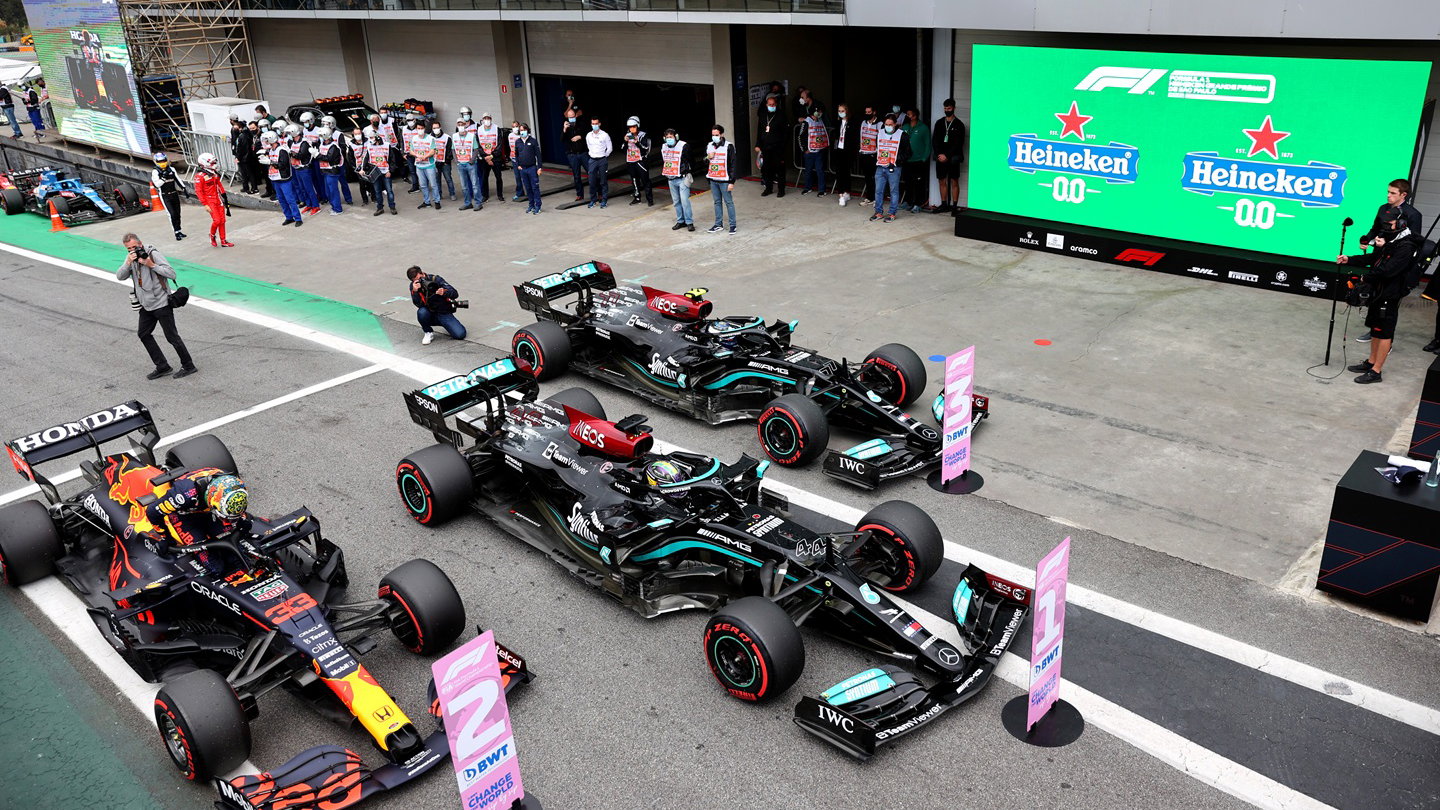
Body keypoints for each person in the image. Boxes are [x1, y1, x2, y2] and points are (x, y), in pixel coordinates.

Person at [1339, 205, 1419, 384]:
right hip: (1379, 291)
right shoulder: (1389, 239)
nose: (1385, 228)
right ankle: (1371, 362)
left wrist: (1363, 277)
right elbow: (1374, 259)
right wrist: (1350, 259)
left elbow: (1388, 270)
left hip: (1390, 294)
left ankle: (1376, 372)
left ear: (1401, 223)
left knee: (1384, 332)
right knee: (1375, 328)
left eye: (1389, 224)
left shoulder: (1406, 245)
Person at [117, 233, 196, 379]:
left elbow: (172, 274)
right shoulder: (131, 258)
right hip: (146, 306)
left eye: (135, 247)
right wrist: (128, 262)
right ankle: (162, 366)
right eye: (129, 249)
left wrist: (151, 265)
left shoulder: (153, 254)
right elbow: (120, 276)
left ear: (141, 243)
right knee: (143, 334)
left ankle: (189, 365)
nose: (133, 250)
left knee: (172, 337)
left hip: (161, 304)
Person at [1357, 179, 1424, 344]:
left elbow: (1414, 241)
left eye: (1393, 193)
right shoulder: (1383, 208)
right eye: (1388, 192)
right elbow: (1375, 228)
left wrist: (1389, 245)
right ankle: (1374, 330)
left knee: (1388, 304)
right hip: (1379, 256)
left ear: (1403, 195)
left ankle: (1387, 338)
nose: (1388, 195)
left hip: (1396, 263)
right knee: (1375, 295)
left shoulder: (1413, 215)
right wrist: (1367, 240)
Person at [144, 470, 247, 575]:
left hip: (210, 512)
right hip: (184, 517)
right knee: (215, 567)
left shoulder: (236, 486)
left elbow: (238, 508)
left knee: (237, 556)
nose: (228, 521)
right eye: (226, 518)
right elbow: (152, 512)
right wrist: (166, 538)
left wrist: (242, 519)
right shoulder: (183, 496)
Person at [407, 266, 466, 345]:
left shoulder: (436, 279)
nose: (420, 281)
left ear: (422, 273)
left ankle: (444, 323)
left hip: (443, 312)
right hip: (429, 311)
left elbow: (455, 293)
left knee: (460, 334)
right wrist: (415, 292)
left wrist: (444, 292)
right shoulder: (414, 286)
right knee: (421, 312)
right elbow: (418, 304)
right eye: (416, 280)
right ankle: (428, 332)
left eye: (420, 278)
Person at [871, 113, 910, 223]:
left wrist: (897, 160)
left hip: (894, 167)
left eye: (890, 124)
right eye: (886, 124)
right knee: (878, 190)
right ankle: (878, 212)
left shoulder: (903, 135)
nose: (888, 126)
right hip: (880, 166)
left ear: (895, 124)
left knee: (894, 191)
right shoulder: (880, 133)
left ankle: (892, 213)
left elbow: (908, 153)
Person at [193, 153, 233, 247]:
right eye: (212, 162)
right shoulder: (200, 176)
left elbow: (219, 185)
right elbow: (198, 191)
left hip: (218, 199)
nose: (214, 164)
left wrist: (225, 197)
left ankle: (223, 241)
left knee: (222, 220)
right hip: (209, 200)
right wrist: (205, 204)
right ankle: (212, 236)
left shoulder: (213, 173)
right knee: (217, 221)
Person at [933, 99, 965, 214]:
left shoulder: (959, 124)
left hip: (953, 158)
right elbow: (935, 140)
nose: (947, 111)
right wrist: (939, 154)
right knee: (942, 180)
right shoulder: (939, 123)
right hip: (940, 157)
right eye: (945, 109)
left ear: (954, 108)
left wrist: (947, 155)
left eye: (949, 109)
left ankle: (954, 206)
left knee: (954, 181)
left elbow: (958, 144)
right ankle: (943, 204)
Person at [705, 124, 738, 234]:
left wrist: (731, 181)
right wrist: (708, 157)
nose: (714, 137)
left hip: (725, 180)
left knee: (729, 202)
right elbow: (705, 161)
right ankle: (718, 224)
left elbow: (733, 164)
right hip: (713, 180)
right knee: (717, 202)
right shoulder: (709, 145)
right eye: (713, 135)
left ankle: (733, 225)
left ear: (722, 134)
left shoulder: (729, 146)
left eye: (717, 135)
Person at [661, 128, 695, 232]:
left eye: (671, 137)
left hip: (682, 178)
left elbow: (691, 160)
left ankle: (689, 222)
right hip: (671, 178)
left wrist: (687, 171)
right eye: (667, 138)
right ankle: (681, 221)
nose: (669, 139)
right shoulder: (664, 147)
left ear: (676, 137)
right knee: (676, 202)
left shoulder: (684, 146)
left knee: (685, 201)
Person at [361, 126, 399, 216]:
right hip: (375, 173)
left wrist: (390, 171)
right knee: (377, 191)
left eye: (371, 138)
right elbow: (366, 158)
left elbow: (393, 160)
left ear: (377, 137)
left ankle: (392, 207)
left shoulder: (386, 145)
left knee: (389, 191)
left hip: (385, 172)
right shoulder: (369, 146)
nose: (370, 140)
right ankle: (380, 208)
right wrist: (362, 169)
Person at [756, 95, 788, 198]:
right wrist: (758, 144)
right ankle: (768, 188)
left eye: (773, 104)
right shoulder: (762, 115)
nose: (771, 106)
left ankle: (781, 190)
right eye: (769, 105)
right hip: (766, 146)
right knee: (767, 169)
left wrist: (783, 148)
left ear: (776, 104)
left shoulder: (781, 115)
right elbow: (759, 131)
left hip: (778, 147)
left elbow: (785, 133)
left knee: (780, 169)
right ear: (766, 105)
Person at [150, 152, 187, 241]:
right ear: (156, 162)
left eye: (164, 161)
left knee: (178, 214)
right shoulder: (155, 172)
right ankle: (176, 232)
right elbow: (157, 184)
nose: (162, 163)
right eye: (160, 161)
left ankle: (179, 230)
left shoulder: (172, 169)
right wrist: (163, 178)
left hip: (174, 194)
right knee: (172, 214)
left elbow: (177, 179)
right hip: (165, 196)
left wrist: (184, 188)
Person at [285, 124, 320, 215]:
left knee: (309, 188)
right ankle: (309, 204)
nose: (289, 135)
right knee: (302, 188)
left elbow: (301, 155)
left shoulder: (304, 143)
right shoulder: (293, 142)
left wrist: (291, 153)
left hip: (304, 168)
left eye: (290, 133)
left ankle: (316, 206)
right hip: (296, 168)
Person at [901, 107, 930, 213]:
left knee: (919, 183)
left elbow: (928, 144)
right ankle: (907, 202)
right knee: (908, 182)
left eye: (910, 114)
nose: (908, 117)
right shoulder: (904, 127)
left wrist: (924, 158)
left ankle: (918, 204)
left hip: (918, 161)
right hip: (907, 161)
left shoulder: (923, 128)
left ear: (915, 116)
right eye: (907, 115)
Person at [831, 103, 858, 206]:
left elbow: (853, 138)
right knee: (839, 172)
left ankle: (847, 192)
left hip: (848, 151)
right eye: (839, 111)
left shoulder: (852, 122)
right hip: (839, 150)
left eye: (842, 111)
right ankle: (841, 194)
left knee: (846, 172)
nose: (841, 113)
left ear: (847, 111)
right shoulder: (837, 123)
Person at [798, 106, 829, 196]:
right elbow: (800, 136)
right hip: (809, 152)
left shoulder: (820, 121)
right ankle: (807, 188)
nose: (820, 113)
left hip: (819, 151)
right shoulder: (807, 122)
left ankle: (822, 190)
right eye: (818, 111)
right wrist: (804, 149)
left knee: (820, 171)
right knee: (808, 171)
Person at [513, 122, 542, 215]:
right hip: (523, 169)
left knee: (535, 188)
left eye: (524, 130)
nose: (523, 132)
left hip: (532, 168)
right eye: (521, 130)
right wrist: (518, 165)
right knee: (528, 188)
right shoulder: (517, 142)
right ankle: (531, 205)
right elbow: (516, 155)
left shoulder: (533, 141)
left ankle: (538, 206)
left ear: (527, 130)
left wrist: (539, 167)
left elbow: (538, 155)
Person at [623, 116, 653, 206]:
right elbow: (622, 149)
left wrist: (637, 143)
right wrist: (625, 142)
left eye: (634, 126)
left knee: (645, 181)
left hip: (641, 162)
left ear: (637, 125)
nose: (631, 129)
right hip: (630, 161)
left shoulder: (643, 135)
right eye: (630, 127)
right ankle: (637, 197)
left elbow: (646, 149)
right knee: (634, 180)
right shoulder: (627, 135)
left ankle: (650, 199)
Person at [476, 113, 505, 204]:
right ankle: (485, 196)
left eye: (488, 118)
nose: (487, 120)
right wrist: (485, 157)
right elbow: (478, 145)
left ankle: (500, 195)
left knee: (498, 177)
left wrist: (492, 156)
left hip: (495, 157)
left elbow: (500, 145)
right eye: (485, 118)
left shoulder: (497, 129)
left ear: (491, 119)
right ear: (482, 119)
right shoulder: (479, 130)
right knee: (484, 177)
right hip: (485, 158)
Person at [453, 119, 481, 211]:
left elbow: (476, 149)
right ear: (457, 125)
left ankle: (478, 203)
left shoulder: (471, 136)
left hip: (470, 164)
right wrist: (456, 161)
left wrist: (472, 160)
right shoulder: (454, 136)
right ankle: (467, 203)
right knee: (464, 186)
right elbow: (453, 149)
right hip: (460, 164)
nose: (460, 126)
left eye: (462, 124)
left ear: (465, 125)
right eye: (459, 124)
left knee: (475, 185)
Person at [411, 125, 440, 210]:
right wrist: (417, 155)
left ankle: (437, 201)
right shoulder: (414, 138)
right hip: (419, 165)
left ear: (424, 129)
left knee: (433, 184)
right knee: (423, 185)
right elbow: (411, 150)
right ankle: (426, 202)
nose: (420, 130)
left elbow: (432, 151)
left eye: (421, 128)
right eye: (418, 129)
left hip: (429, 165)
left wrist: (424, 157)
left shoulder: (430, 139)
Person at [317, 127, 345, 215]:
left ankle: (338, 209)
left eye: (321, 135)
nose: (320, 137)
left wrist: (317, 155)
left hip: (332, 172)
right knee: (328, 191)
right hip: (325, 171)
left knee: (333, 191)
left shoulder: (333, 146)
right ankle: (333, 207)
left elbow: (329, 158)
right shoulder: (322, 144)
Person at [586, 116, 613, 208]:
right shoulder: (588, 135)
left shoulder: (605, 135)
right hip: (592, 160)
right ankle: (593, 200)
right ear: (591, 124)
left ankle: (604, 200)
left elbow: (609, 148)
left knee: (603, 181)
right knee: (591, 181)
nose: (594, 125)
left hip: (602, 160)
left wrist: (603, 155)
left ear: (599, 124)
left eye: (596, 124)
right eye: (593, 124)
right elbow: (588, 146)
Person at [563, 107, 588, 201]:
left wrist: (580, 137)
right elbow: (561, 139)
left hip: (583, 153)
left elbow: (589, 135)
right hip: (572, 155)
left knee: (591, 172)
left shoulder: (581, 124)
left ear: (576, 116)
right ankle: (579, 194)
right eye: (570, 117)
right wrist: (564, 129)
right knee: (577, 176)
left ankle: (599, 192)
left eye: (573, 116)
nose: (571, 118)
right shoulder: (566, 126)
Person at [858, 105, 880, 203]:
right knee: (867, 176)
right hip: (864, 153)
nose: (867, 114)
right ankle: (870, 196)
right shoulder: (863, 122)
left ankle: (876, 197)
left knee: (875, 177)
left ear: (874, 112)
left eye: (869, 112)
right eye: (866, 112)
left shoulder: (880, 124)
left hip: (874, 154)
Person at [431, 121, 456, 201]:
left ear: (440, 127)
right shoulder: (429, 138)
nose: (436, 129)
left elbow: (450, 150)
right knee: (437, 180)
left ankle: (452, 194)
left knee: (448, 179)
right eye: (434, 128)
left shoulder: (447, 137)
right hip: (434, 163)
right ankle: (439, 194)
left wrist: (446, 161)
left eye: (437, 127)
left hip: (445, 163)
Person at [347, 127, 371, 207]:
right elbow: (350, 158)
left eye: (359, 133)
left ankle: (374, 198)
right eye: (356, 134)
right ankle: (365, 200)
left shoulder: (368, 141)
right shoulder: (351, 145)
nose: (358, 135)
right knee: (362, 185)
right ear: (353, 135)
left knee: (371, 183)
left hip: (369, 166)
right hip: (359, 168)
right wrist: (356, 169)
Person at [509, 119, 525, 202]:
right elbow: (510, 147)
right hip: (514, 159)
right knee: (517, 177)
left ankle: (530, 191)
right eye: (513, 127)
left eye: (516, 126)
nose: (515, 128)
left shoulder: (522, 135)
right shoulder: (510, 135)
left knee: (525, 176)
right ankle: (519, 193)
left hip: (522, 160)